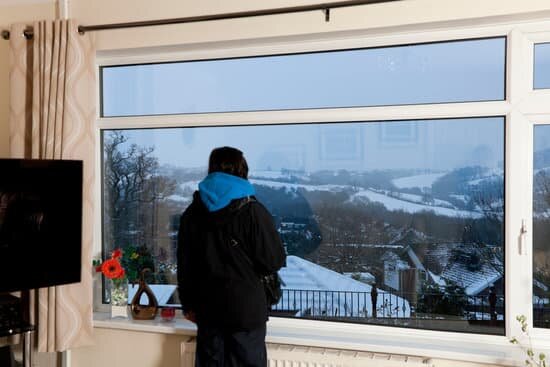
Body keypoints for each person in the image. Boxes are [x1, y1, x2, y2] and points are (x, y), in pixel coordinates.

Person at [177, 146, 286, 367]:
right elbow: (272, 261)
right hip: (245, 312)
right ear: (242, 170)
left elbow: (185, 265)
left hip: (208, 310)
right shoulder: (253, 211)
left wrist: (188, 304)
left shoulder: (191, 213)